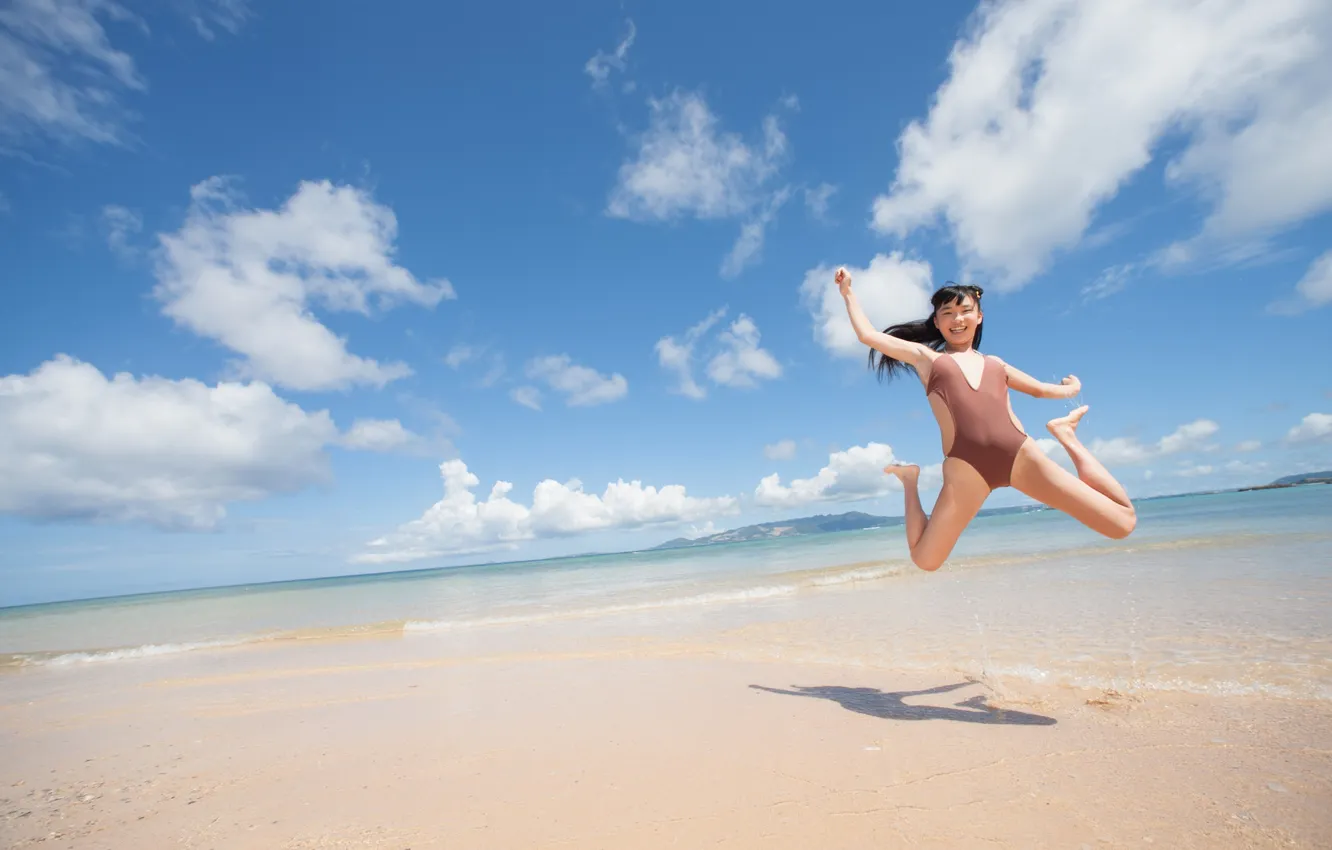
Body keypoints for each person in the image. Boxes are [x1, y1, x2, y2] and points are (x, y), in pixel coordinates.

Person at [834, 267, 1136, 572]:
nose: (957, 319)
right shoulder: (928, 359)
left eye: (965, 311)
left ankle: (1066, 436)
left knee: (1123, 523)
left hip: (1021, 456)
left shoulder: (996, 364)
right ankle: (910, 480)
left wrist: (1070, 389)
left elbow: (1041, 390)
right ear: (937, 322)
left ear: (979, 317)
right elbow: (867, 335)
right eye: (948, 312)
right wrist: (848, 292)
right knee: (925, 560)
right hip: (966, 470)